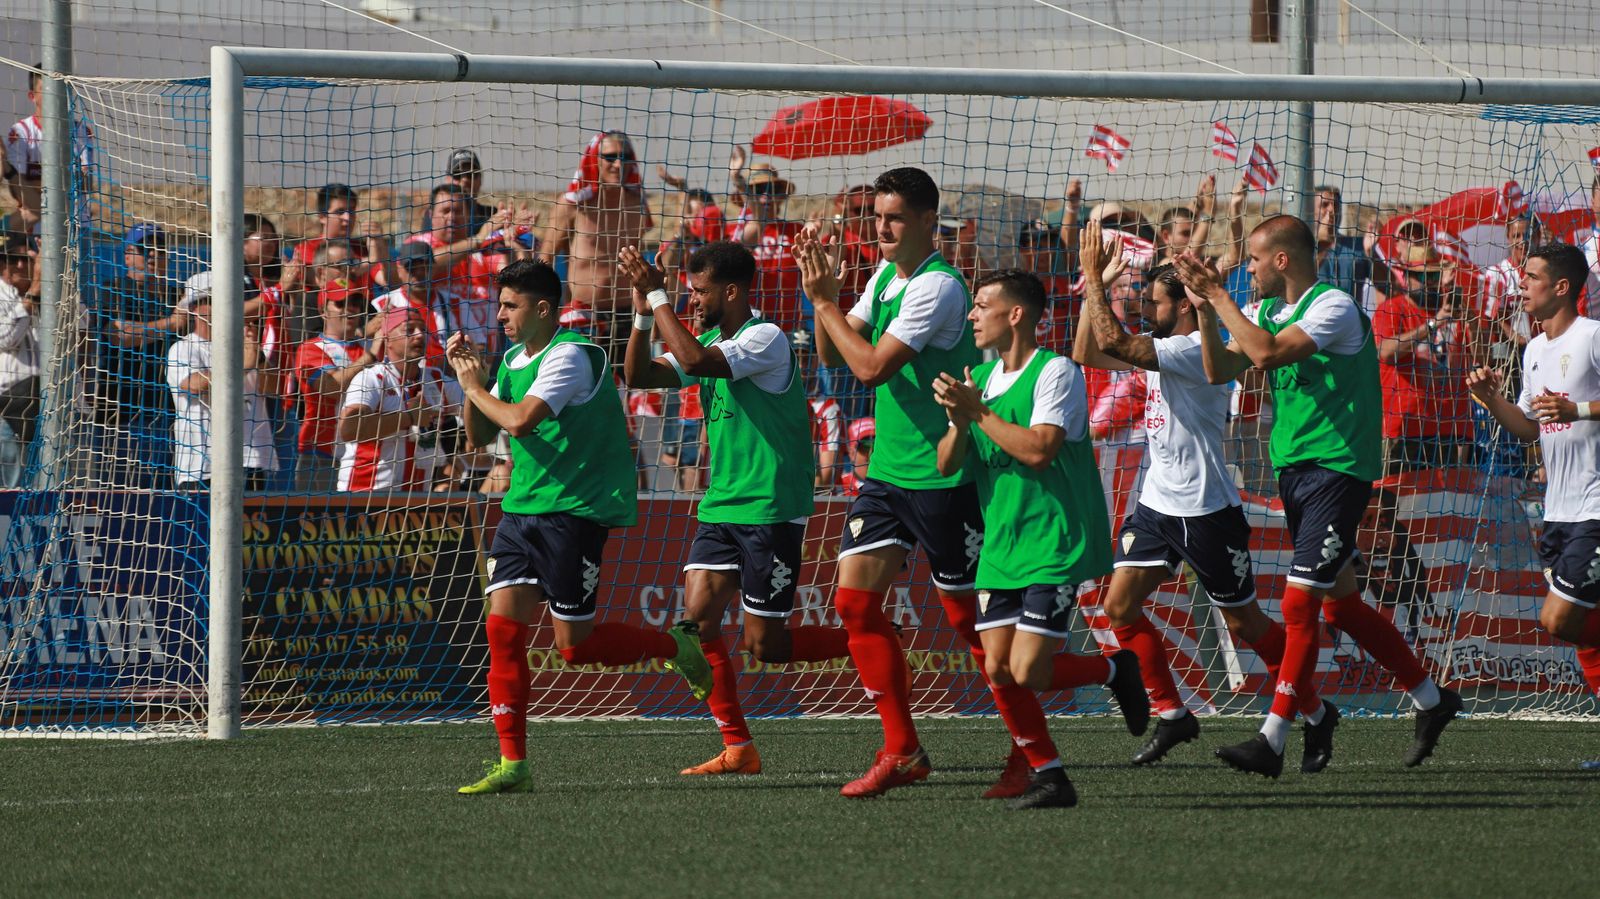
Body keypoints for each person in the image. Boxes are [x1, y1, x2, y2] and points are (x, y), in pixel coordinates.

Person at [794, 166, 1060, 800]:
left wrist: (827, 302)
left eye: (893, 219)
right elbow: (833, 353)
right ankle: (902, 748)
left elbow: (871, 368)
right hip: (888, 476)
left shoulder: (938, 288)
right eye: (877, 217)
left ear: (922, 222)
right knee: (854, 604)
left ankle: (1034, 751)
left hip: (946, 479)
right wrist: (822, 296)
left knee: (976, 632)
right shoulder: (887, 276)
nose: (880, 229)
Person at [1176, 214, 1462, 776]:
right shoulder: (1262, 311)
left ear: (1282, 260)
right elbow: (1217, 369)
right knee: (1342, 604)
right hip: (1296, 474)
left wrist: (1217, 294)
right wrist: (1207, 310)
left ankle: (1273, 736)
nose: (1248, 270)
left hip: (1339, 471)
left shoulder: (1331, 306)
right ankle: (1433, 700)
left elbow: (1268, 356)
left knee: (1298, 604)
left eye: (1255, 260)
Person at [1072, 221, 1333, 769]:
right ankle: (1172, 714)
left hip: (1207, 510)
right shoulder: (1165, 345)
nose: (1147, 309)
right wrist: (1090, 284)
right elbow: (1090, 354)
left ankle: (1313, 710)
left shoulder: (1189, 350)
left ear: (1185, 309)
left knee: (1246, 624)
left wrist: (1097, 282)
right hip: (1157, 506)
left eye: (1155, 302)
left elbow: (1114, 341)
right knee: (1118, 606)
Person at [446, 259, 711, 794]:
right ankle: (512, 763)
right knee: (501, 631)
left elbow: (520, 421)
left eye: (509, 305)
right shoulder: (515, 358)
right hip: (521, 512)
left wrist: (477, 387)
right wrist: (466, 382)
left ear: (543, 308)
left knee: (575, 648)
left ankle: (675, 649)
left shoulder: (572, 355)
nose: (498, 315)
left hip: (573, 515)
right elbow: (478, 437)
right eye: (498, 304)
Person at [621, 239, 849, 775]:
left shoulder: (764, 338)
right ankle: (738, 746)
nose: (692, 300)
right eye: (687, 292)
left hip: (770, 509)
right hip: (721, 505)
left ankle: (866, 641)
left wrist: (657, 296)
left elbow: (696, 361)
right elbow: (638, 377)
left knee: (764, 645)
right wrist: (640, 313)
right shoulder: (708, 339)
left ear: (731, 290)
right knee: (695, 626)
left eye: (699, 292)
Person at [932, 269, 1148, 809]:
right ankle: (1050, 775)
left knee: (1029, 669)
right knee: (998, 668)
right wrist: (961, 421)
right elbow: (945, 465)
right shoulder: (979, 380)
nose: (973, 316)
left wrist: (977, 412)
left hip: (1053, 539)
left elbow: (1039, 450)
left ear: (1016, 314)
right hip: (1001, 545)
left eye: (982, 306)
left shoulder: (1055, 372)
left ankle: (1114, 668)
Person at [1467, 243, 1600, 718]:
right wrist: (1489, 399)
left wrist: (1578, 410)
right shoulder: (1536, 350)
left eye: (1531, 276)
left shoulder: (1591, 337)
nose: (1520, 284)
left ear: (1561, 288)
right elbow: (1528, 427)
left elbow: (1568, 413)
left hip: (1595, 508)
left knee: (1558, 618)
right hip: (1558, 510)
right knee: (1574, 622)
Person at [539, 130, 654, 359]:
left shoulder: (637, 203)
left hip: (627, 313)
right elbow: (545, 259)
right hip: (584, 315)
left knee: (630, 384)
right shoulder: (573, 204)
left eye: (625, 157)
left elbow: (637, 255)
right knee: (583, 386)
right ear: (594, 159)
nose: (618, 164)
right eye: (610, 157)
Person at [165, 272, 278, 491]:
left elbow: (274, 389)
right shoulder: (183, 348)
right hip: (204, 465)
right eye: (215, 301)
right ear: (196, 309)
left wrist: (259, 359)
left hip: (251, 459)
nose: (226, 308)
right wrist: (242, 366)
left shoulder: (246, 347)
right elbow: (194, 385)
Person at [335, 306, 459, 492]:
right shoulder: (372, 377)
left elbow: (481, 412)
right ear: (388, 339)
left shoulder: (436, 379)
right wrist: (409, 416)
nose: (419, 335)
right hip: (364, 495)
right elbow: (349, 429)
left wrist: (473, 378)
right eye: (409, 330)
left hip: (415, 501)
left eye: (422, 329)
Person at [293, 277, 375, 491]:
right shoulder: (310, 348)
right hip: (320, 453)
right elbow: (331, 388)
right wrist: (372, 356)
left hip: (361, 454)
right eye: (340, 304)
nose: (349, 310)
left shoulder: (366, 349)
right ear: (323, 310)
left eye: (354, 304)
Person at [6, 65, 95, 237]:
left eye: (60, 89)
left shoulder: (81, 131)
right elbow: (18, 188)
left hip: (77, 226)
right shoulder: (21, 132)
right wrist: (65, 181)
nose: (54, 94)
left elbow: (86, 183)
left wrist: (42, 184)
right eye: (46, 89)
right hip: (39, 227)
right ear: (33, 96)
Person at [728, 151, 807, 333]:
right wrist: (737, 179)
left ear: (780, 196)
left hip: (790, 324)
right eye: (758, 191)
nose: (766, 197)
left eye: (772, 191)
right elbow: (757, 223)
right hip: (748, 326)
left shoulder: (796, 230)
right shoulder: (735, 232)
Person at [0, 234, 38, 455]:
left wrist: (45, 283)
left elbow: (82, 325)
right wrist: (32, 297)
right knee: (14, 486)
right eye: (13, 259)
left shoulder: (52, 289)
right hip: (8, 409)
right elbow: (6, 338)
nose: (21, 265)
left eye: (27, 258)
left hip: (55, 406)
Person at [420, 148, 495, 235]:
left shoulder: (492, 215)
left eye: (471, 174)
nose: (465, 180)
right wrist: (481, 237)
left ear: (480, 180)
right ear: (447, 180)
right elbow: (432, 248)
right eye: (457, 175)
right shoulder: (437, 214)